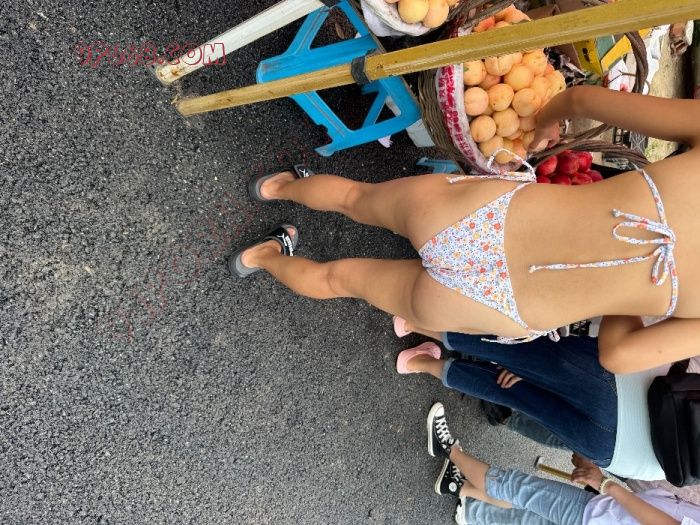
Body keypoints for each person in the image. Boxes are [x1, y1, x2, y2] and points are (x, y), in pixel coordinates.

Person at [229, 85, 700, 373]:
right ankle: (262, 257)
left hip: (491, 218)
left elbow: (581, 99)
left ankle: (278, 187)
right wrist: (628, 291)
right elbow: (617, 357)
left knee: (355, 198)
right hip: (506, 304)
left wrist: (548, 123)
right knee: (338, 281)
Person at [393, 317, 700, 481]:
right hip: (623, 457)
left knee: (516, 350)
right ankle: (419, 364)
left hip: (628, 386)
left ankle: (412, 322)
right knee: (512, 393)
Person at [426, 402, 700, 525]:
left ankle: (447, 449)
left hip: (599, 515)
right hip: (603, 514)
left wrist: (605, 484)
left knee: (517, 488)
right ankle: (458, 487)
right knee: (526, 506)